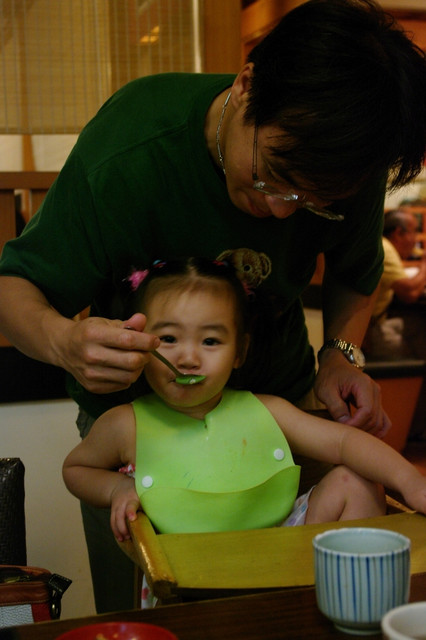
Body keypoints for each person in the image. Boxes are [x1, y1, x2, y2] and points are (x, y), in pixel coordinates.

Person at [1, 0, 426, 612]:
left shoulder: (342, 162)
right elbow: (14, 287)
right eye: (273, 173)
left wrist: (339, 354)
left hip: (274, 422)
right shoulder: (133, 148)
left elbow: (356, 274)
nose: (280, 209)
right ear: (247, 84)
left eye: (312, 202)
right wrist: (64, 342)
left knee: (297, 598)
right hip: (139, 449)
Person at [62, 257, 426, 607]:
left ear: (240, 351)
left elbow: (345, 442)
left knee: (358, 482)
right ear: (140, 344)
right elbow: (76, 469)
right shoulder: (125, 424)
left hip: (286, 563)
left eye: (210, 341)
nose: (188, 358)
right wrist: (118, 488)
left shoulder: (268, 410)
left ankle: (343, 606)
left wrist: (410, 482)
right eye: (169, 338)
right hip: (186, 584)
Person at [363, 207, 426, 360]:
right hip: (368, 332)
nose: (416, 238)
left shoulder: (382, 244)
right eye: (414, 232)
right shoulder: (385, 249)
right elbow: (410, 293)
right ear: (398, 233)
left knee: (419, 322)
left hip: (372, 323)